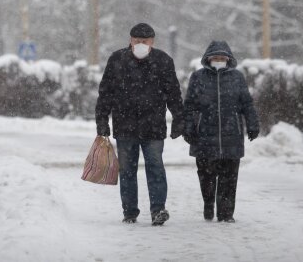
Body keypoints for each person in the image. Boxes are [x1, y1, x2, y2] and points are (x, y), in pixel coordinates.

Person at [95, 23, 185, 225]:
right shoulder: (117, 60)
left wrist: (179, 118)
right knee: (127, 170)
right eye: (137, 41)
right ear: (130, 40)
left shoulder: (163, 61)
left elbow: (173, 93)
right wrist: (101, 120)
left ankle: (158, 210)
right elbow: (105, 93)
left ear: (152, 42)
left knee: (155, 168)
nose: (141, 44)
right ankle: (129, 211)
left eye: (145, 41)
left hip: (153, 127)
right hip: (125, 126)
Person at [183, 40, 260, 223]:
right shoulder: (198, 77)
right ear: (208, 59)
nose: (219, 60)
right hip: (204, 136)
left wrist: (253, 124)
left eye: (222, 57)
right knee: (206, 178)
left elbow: (246, 103)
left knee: (229, 179)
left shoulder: (237, 77)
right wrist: (188, 127)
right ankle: (208, 204)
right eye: (215, 57)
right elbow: (189, 106)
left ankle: (226, 214)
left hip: (231, 136)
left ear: (228, 59)